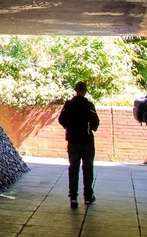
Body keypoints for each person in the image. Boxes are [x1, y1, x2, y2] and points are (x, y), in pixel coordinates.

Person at [58, 81, 101, 209]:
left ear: (75, 90)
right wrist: (90, 129)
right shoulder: (89, 105)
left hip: (72, 141)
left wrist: (68, 128)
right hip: (87, 141)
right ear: (85, 91)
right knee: (88, 169)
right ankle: (88, 196)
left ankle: (73, 198)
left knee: (73, 169)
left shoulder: (69, 104)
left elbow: (61, 119)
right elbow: (95, 123)